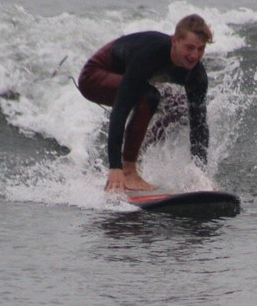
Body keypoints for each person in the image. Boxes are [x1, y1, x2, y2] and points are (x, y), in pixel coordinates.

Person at [77, 14, 213, 192]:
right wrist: (115, 166)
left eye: (200, 49)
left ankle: (137, 156)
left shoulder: (196, 76)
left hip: (125, 77)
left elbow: (199, 126)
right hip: (93, 76)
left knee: (177, 106)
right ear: (175, 41)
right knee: (148, 97)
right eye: (189, 47)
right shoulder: (150, 53)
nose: (194, 55)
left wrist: (200, 176)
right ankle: (127, 170)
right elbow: (121, 109)